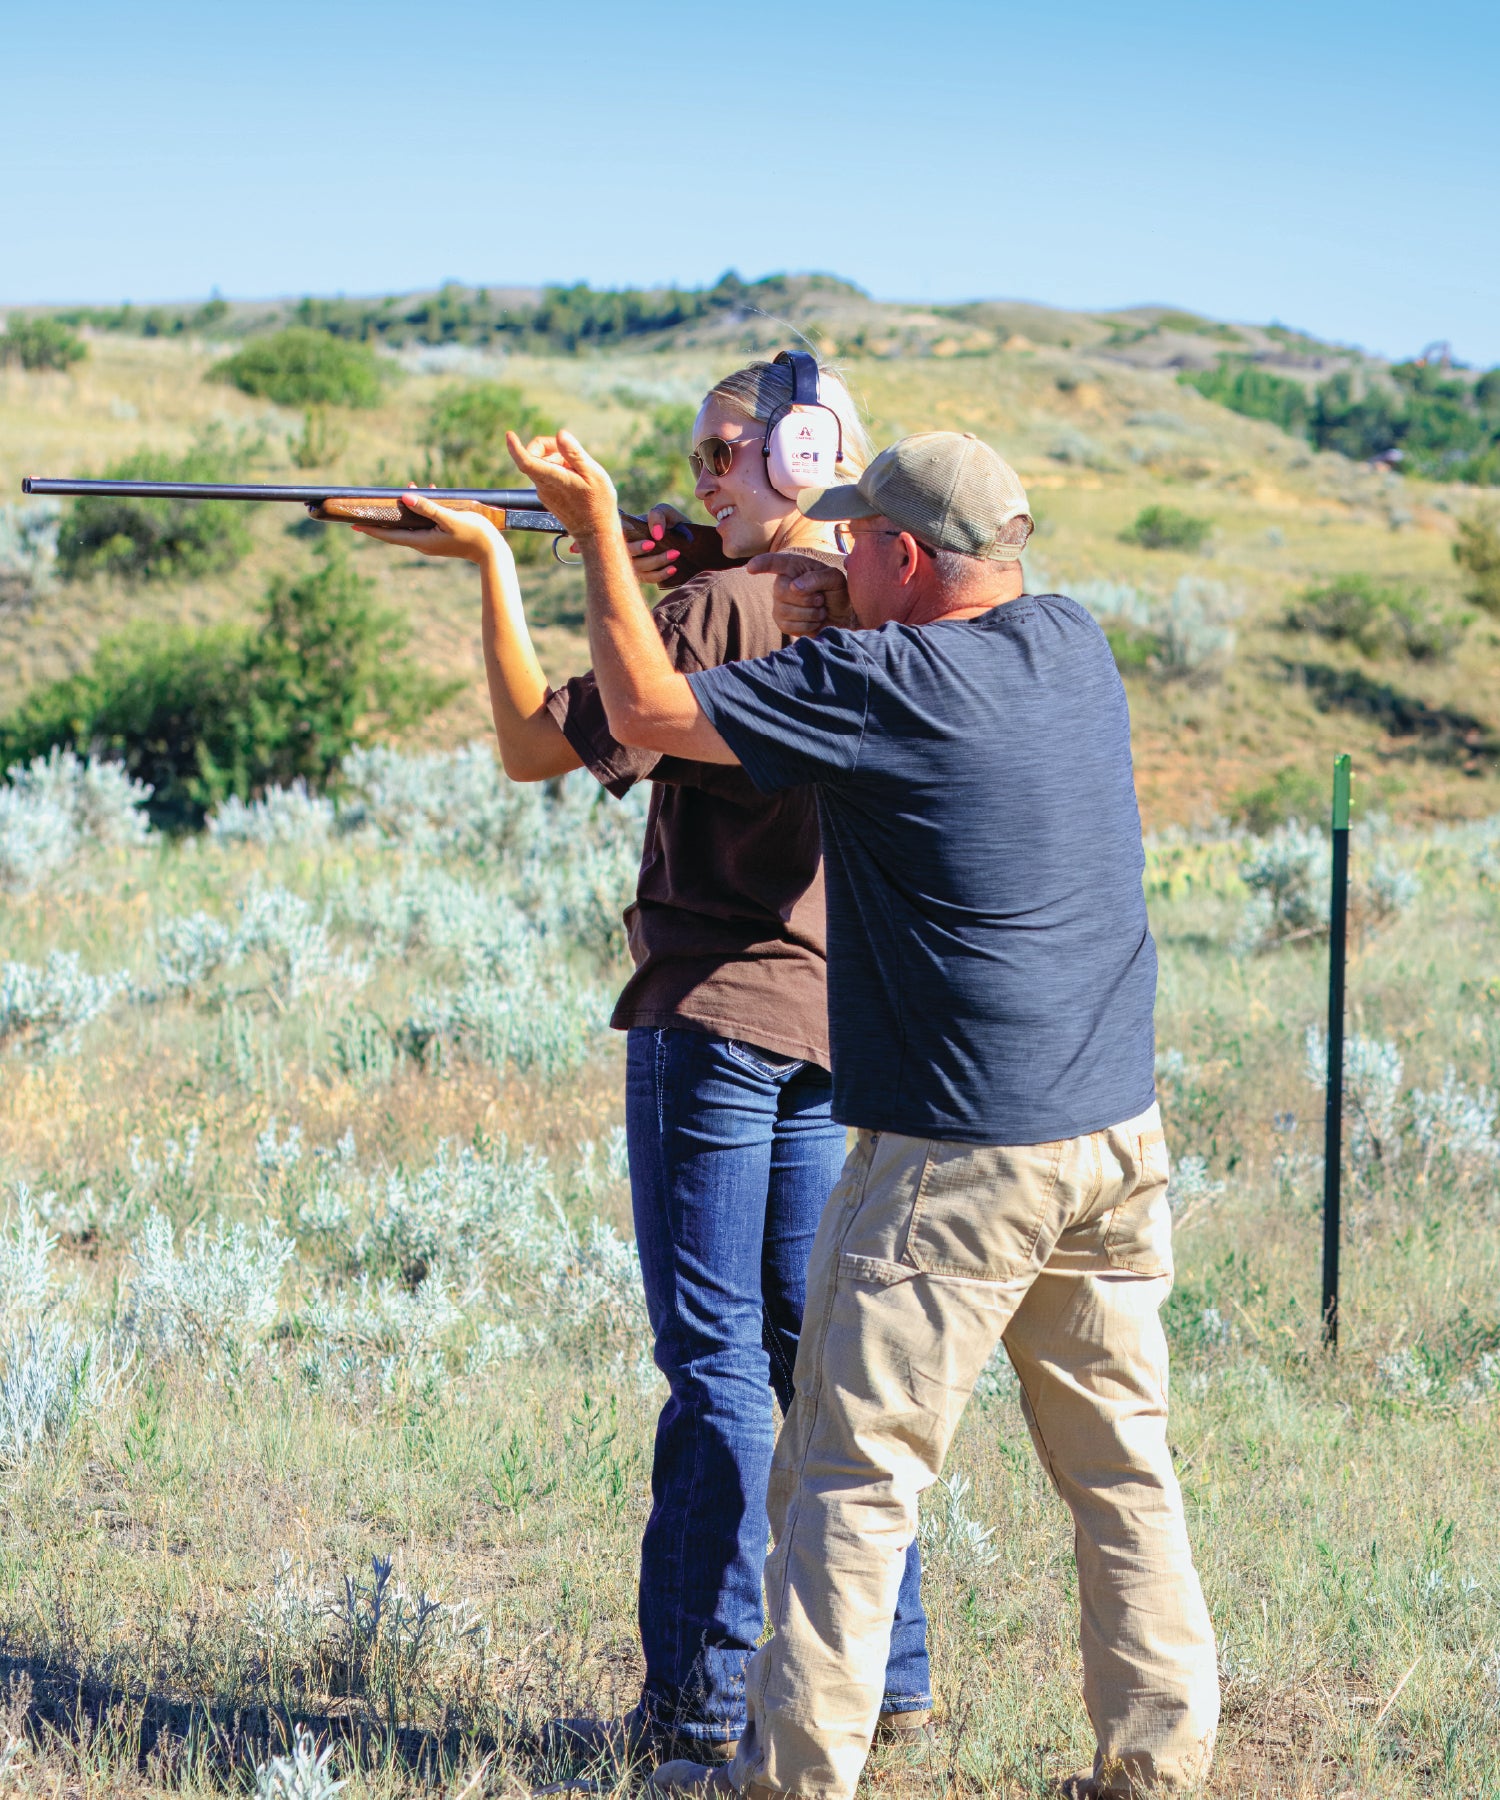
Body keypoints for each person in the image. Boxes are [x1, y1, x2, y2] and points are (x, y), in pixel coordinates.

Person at [503, 423, 1221, 1800]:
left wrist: (596, 533)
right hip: (1115, 1134)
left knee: (847, 1476)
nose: (827, 554)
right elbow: (892, 628)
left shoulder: (880, 681)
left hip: (962, 1153)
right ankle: (1158, 1764)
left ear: (897, 555)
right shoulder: (1073, 642)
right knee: (1123, 1473)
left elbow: (649, 720)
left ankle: (784, 1780)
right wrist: (776, 576)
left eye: (854, 541)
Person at [350, 361, 931, 1771]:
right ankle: (888, 1669)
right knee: (818, 1364)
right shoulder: (867, 617)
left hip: (717, 1014)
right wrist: (652, 546)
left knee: (715, 1369)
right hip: (827, 1026)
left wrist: (495, 560)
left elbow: (525, 747)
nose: (713, 476)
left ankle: (705, 1699)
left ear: (806, 458)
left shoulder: (711, 613)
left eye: (729, 453)